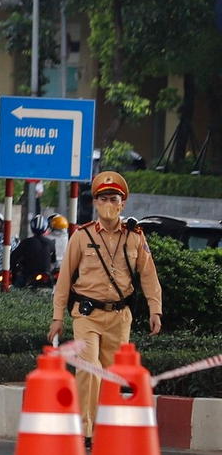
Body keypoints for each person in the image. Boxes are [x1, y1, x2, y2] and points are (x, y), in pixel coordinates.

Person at [51, 171, 162, 439]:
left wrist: (155, 309)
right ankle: (85, 430)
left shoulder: (135, 237)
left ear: (123, 204)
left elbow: (148, 275)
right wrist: (57, 317)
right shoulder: (82, 236)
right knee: (89, 370)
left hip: (119, 316)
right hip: (86, 314)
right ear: (95, 203)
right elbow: (64, 278)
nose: (108, 203)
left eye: (114, 198)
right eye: (103, 198)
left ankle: (104, 429)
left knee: (112, 375)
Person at [11, 215, 58, 289]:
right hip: (46, 275)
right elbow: (53, 260)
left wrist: (15, 271)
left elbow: (13, 257)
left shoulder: (26, 242)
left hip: (28, 275)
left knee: (14, 289)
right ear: (45, 227)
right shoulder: (50, 243)